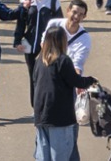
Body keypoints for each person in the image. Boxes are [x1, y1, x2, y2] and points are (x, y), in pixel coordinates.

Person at [30, 24, 95, 161]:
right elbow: (75, 81)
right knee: (60, 154)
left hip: (41, 114)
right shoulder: (63, 60)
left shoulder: (39, 60)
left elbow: (35, 82)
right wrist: (91, 81)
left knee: (43, 154)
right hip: (60, 116)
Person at [15, 0, 63, 90]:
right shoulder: (27, 2)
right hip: (30, 45)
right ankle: (35, 105)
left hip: (48, 46)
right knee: (33, 76)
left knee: (46, 75)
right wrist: (17, 41)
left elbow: (60, 25)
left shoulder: (53, 1)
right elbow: (21, 24)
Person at [44, 0, 94, 72]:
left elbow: (78, 63)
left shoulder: (85, 38)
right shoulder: (53, 24)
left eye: (81, 15)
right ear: (68, 10)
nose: (76, 17)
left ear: (84, 17)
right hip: (48, 68)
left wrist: (76, 78)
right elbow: (44, 44)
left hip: (66, 73)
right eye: (74, 12)